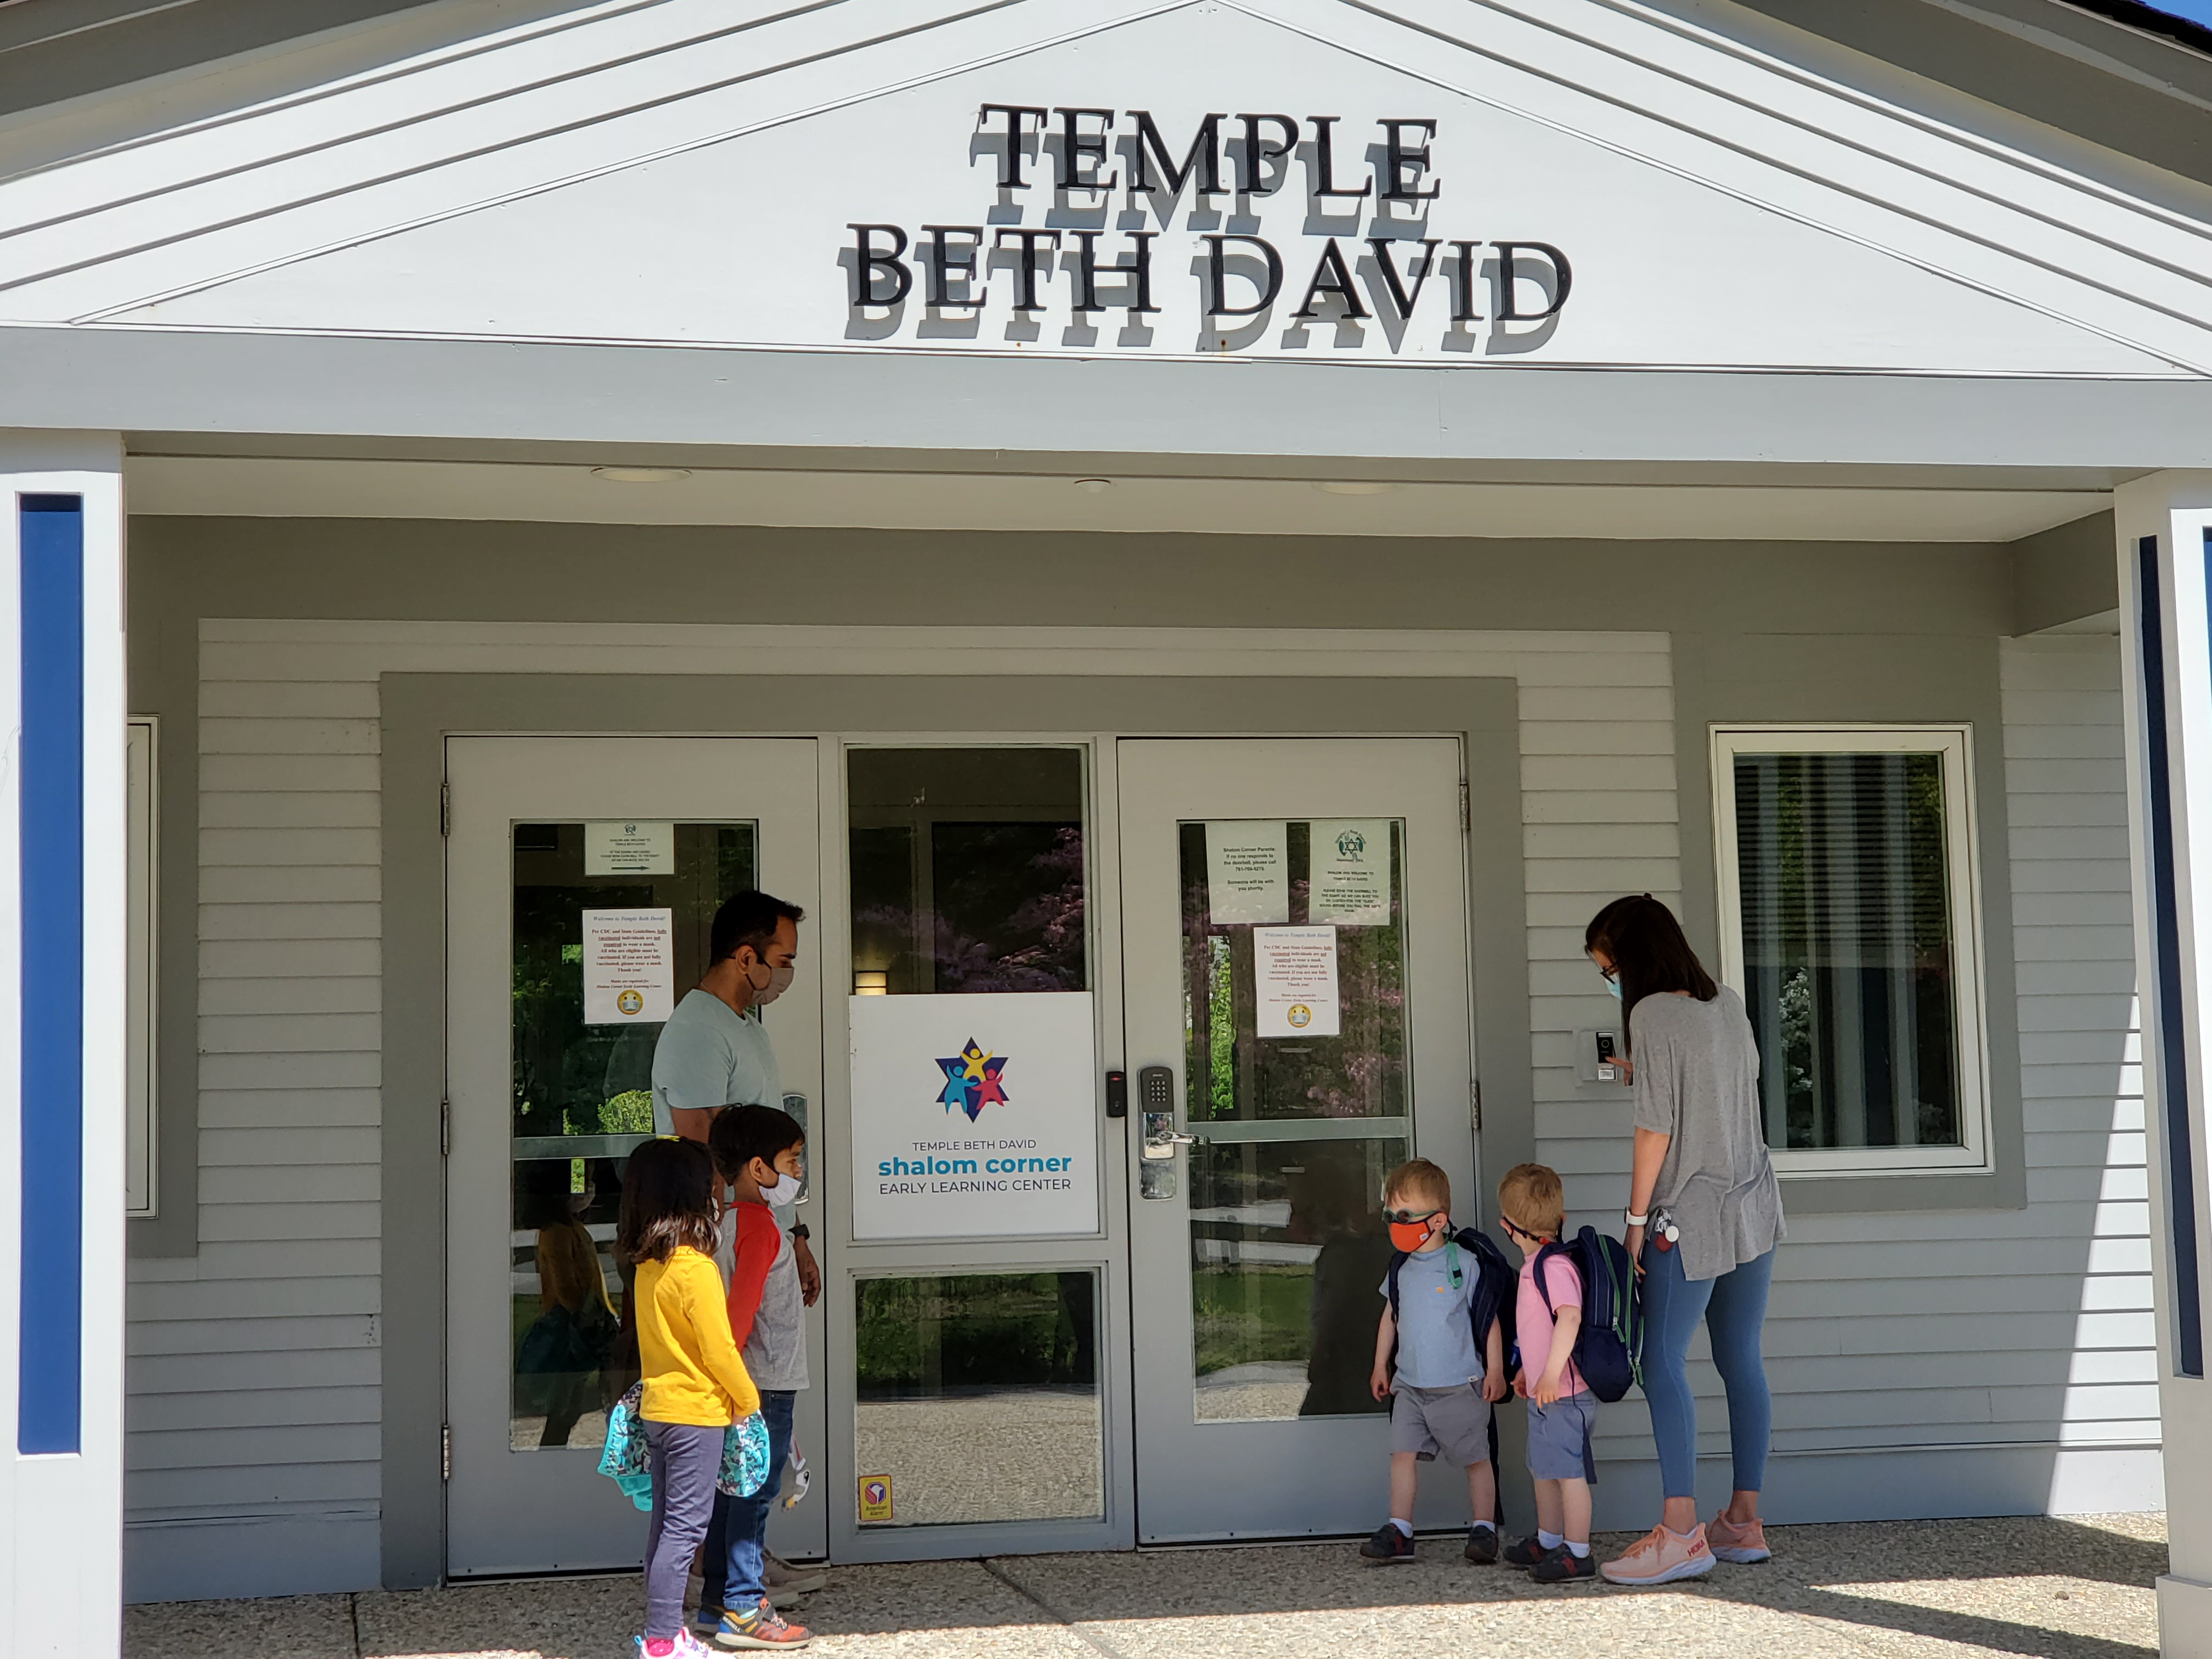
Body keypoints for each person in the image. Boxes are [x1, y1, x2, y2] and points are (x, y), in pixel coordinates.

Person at [1585, 893, 1786, 1586]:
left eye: (1606, 967)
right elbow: (1737, 1091)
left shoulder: (1650, 1015)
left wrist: (1635, 1222)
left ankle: (1679, 1534)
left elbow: (1657, 1133)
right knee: (1741, 1361)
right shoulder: (1726, 1003)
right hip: (1753, 1207)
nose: (1607, 981)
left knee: (1660, 1360)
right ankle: (1742, 1522)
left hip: (1687, 1217)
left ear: (1630, 958)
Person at [651, 893, 823, 1327]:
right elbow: (699, 1153)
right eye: (783, 960)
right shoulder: (699, 1032)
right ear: (747, 958)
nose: (787, 973)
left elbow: (766, 1152)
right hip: (733, 1251)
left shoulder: (745, 1027)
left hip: (764, 1239)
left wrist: (794, 1235)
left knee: (776, 1384)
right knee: (751, 1385)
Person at [619, 1137, 759, 1659]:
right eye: (712, 1185)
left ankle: (664, 1633)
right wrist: (749, 1402)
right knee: (686, 1531)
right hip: (696, 1415)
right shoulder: (696, 1268)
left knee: (665, 1529)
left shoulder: (648, 1266)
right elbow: (720, 1351)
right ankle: (662, 1641)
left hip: (659, 1411)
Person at [702, 1106, 816, 1650]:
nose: (797, 1172)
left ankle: (716, 1601)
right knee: (755, 1491)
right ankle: (746, 1607)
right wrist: (741, 1383)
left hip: (748, 1381)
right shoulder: (759, 1228)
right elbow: (740, 1313)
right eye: (791, 1161)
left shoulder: (727, 1221)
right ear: (758, 1168)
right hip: (763, 1382)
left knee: (731, 1491)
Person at [1359, 1158, 1506, 1566]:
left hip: (1461, 1385)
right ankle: (1400, 1529)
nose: (1395, 1223)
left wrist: (1495, 1370)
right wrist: (1379, 1365)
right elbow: (1391, 1317)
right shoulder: (1401, 1268)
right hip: (1410, 1386)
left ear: (1438, 1220)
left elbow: (1487, 1318)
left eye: (1405, 1216)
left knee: (1477, 1459)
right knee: (1402, 1455)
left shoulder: (1465, 1264)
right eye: (1391, 1215)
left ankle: (1484, 1527)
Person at [1495, 1163, 1597, 1584]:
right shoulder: (1536, 1266)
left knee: (1569, 1474)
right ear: (1560, 1219)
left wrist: (1553, 1375)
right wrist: (1527, 1372)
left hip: (1566, 1394)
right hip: (1544, 1392)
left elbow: (1569, 1318)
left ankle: (1578, 1552)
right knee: (1545, 1470)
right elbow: (1538, 1330)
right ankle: (1550, 1538)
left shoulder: (1553, 1267)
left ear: (1509, 1228)